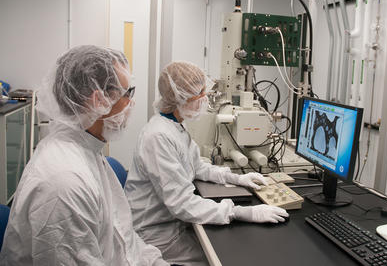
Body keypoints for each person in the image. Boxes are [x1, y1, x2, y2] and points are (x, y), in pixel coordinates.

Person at [0, 45, 169, 265]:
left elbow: (123, 240)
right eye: (128, 93)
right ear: (97, 101)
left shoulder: (87, 150)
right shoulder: (64, 183)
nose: (131, 103)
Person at [125, 61, 289, 266]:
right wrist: (240, 212)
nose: (205, 100)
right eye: (200, 95)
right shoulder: (158, 136)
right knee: (220, 259)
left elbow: (197, 167)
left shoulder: (175, 126)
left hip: (172, 223)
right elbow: (182, 203)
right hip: (155, 234)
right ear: (181, 99)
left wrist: (238, 178)